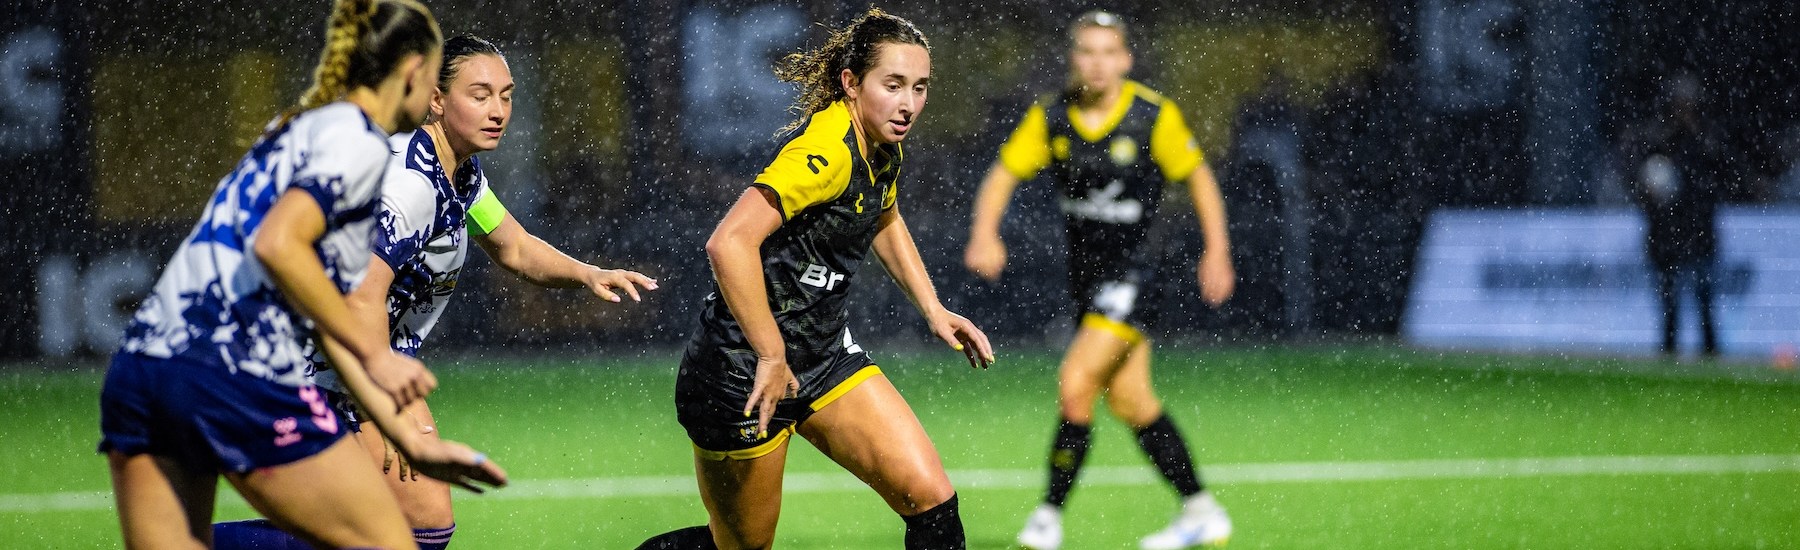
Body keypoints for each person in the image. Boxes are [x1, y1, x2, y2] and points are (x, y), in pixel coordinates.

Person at [209, 35, 657, 550]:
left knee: (420, 527)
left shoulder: (460, 175)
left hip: (344, 362)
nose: (499, 110)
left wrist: (586, 274)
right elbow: (362, 295)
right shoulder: (409, 184)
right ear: (436, 100)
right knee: (375, 534)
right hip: (293, 366)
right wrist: (385, 403)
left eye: (507, 96)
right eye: (480, 94)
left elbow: (512, 245)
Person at [97, 1, 507, 548]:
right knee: (395, 543)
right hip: (233, 369)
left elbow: (320, 308)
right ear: (414, 75)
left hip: (143, 367)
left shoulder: (292, 128)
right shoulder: (367, 147)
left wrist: (391, 414)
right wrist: (382, 365)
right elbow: (279, 245)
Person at [638, 8, 994, 550]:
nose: (908, 104)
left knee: (933, 501)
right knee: (740, 547)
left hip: (822, 357)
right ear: (851, 83)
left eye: (919, 88)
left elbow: (883, 214)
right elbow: (728, 243)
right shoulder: (825, 151)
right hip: (740, 371)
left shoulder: (882, 143)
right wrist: (771, 354)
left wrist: (934, 309)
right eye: (893, 85)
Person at [962, 11, 1235, 550]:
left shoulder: (1153, 115)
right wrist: (984, 233)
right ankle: (1203, 512)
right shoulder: (1053, 117)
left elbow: (1199, 178)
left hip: (1139, 274)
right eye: (1087, 51)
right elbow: (1002, 174)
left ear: (1126, 60)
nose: (1098, 63)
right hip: (1088, 281)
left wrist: (1217, 251)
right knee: (1132, 402)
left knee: (1074, 384)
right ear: (1073, 59)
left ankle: (1047, 518)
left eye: (1109, 52)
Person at [1624, 71, 1725, 358]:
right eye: (1680, 102)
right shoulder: (1658, 139)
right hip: (1667, 232)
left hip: (1698, 230)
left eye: (1688, 102)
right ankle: (1669, 353)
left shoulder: (1705, 139)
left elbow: (1718, 178)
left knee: (1704, 299)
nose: (1684, 108)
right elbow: (1643, 182)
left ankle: (1710, 352)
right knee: (1669, 302)